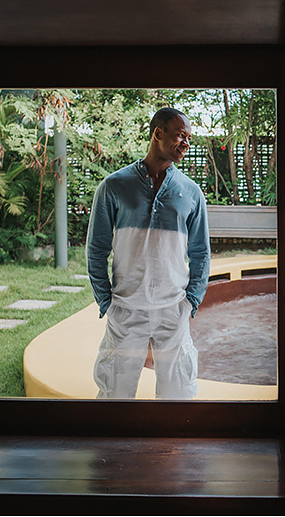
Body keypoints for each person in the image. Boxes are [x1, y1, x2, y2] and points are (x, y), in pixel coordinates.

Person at [86, 107, 210, 400]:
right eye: (180, 136)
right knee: (114, 393)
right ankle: (113, 446)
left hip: (173, 309)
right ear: (158, 133)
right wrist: (106, 300)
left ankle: (171, 448)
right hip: (125, 309)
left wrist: (190, 301)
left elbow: (201, 253)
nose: (186, 144)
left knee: (178, 394)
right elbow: (97, 248)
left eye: (189, 139)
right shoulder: (113, 187)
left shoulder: (191, 192)